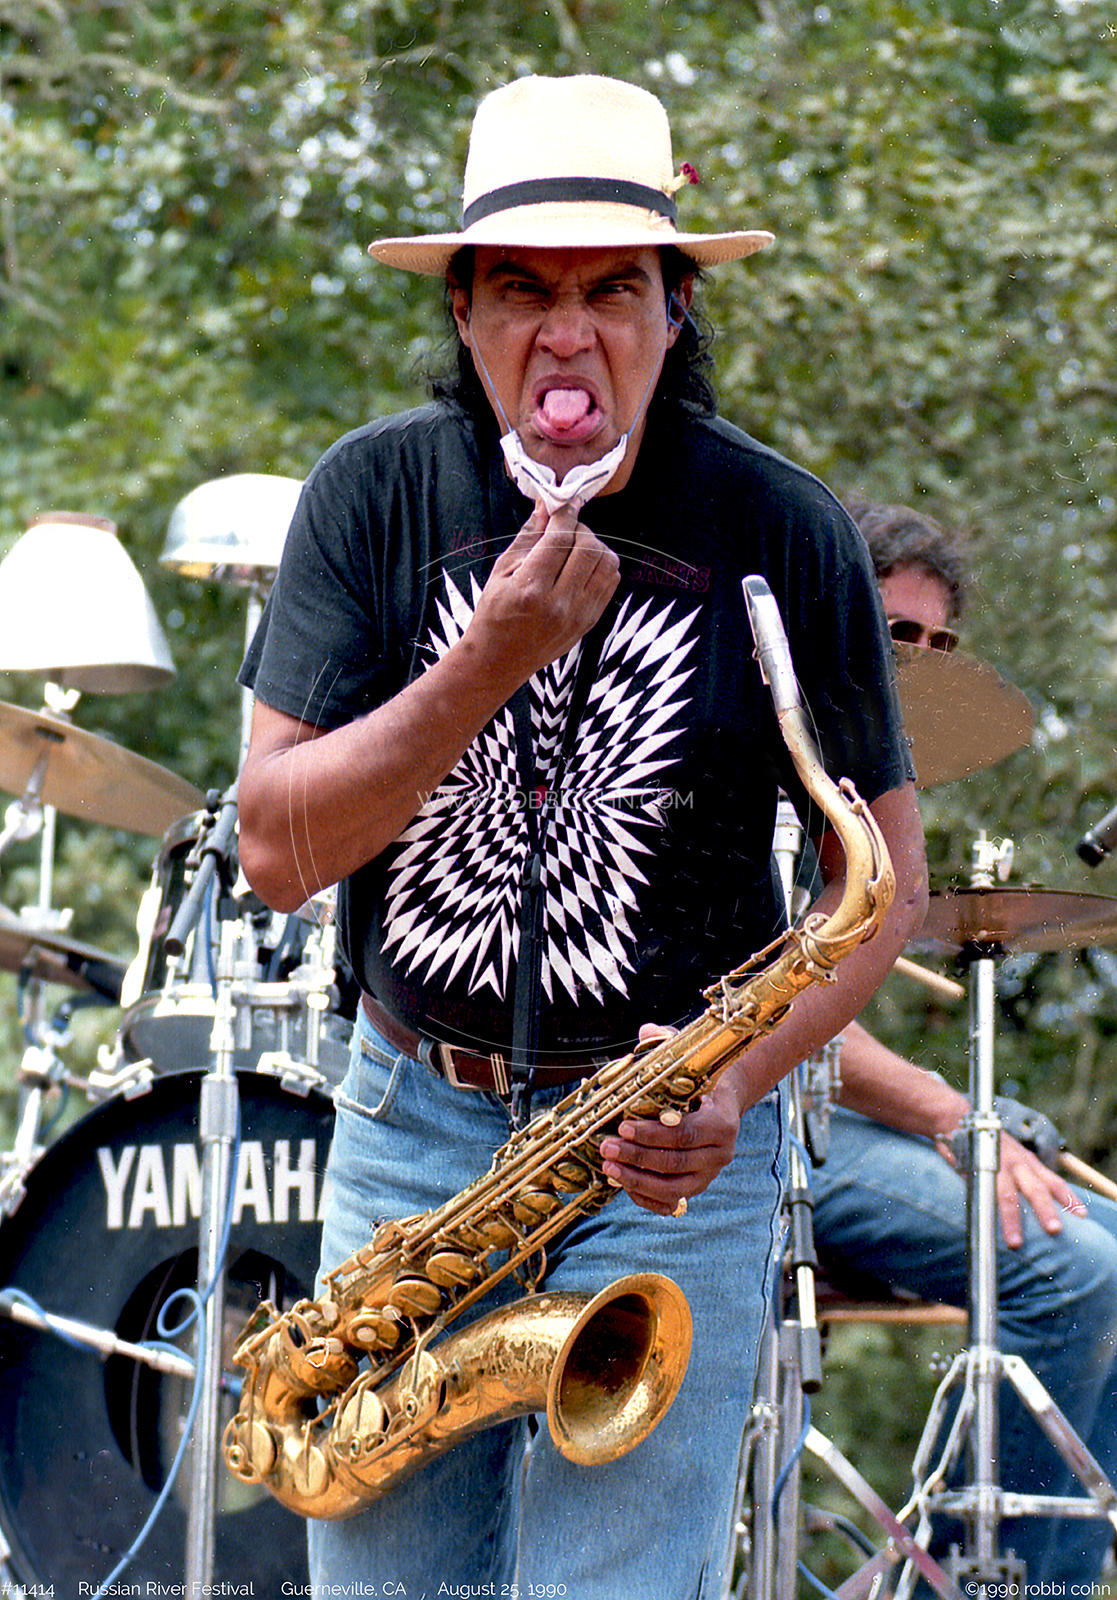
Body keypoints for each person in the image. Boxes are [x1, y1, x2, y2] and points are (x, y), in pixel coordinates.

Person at [236, 76, 927, 1600]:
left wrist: (734, 1085)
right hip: (411, 1128)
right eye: (523, 293)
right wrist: (483, 662)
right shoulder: (369, 496)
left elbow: (881, 881)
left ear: (675, 310)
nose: (567, 336)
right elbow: (276, 850)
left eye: (611, 290)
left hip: (667, 1160)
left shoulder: (782, 528)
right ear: (465, 313)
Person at [811, 498, 1117, 1585]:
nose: (920, 664)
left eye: (939, 644)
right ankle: (977, 1579)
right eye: (896, 633)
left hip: (815, 1121)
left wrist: (964, 1118)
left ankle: (1038, 1576)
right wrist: (951, 1114)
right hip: (741, 1136)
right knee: (1075, 1271)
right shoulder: (765, 766)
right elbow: (776, 1023)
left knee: (1109, 1251)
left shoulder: (870, 798)